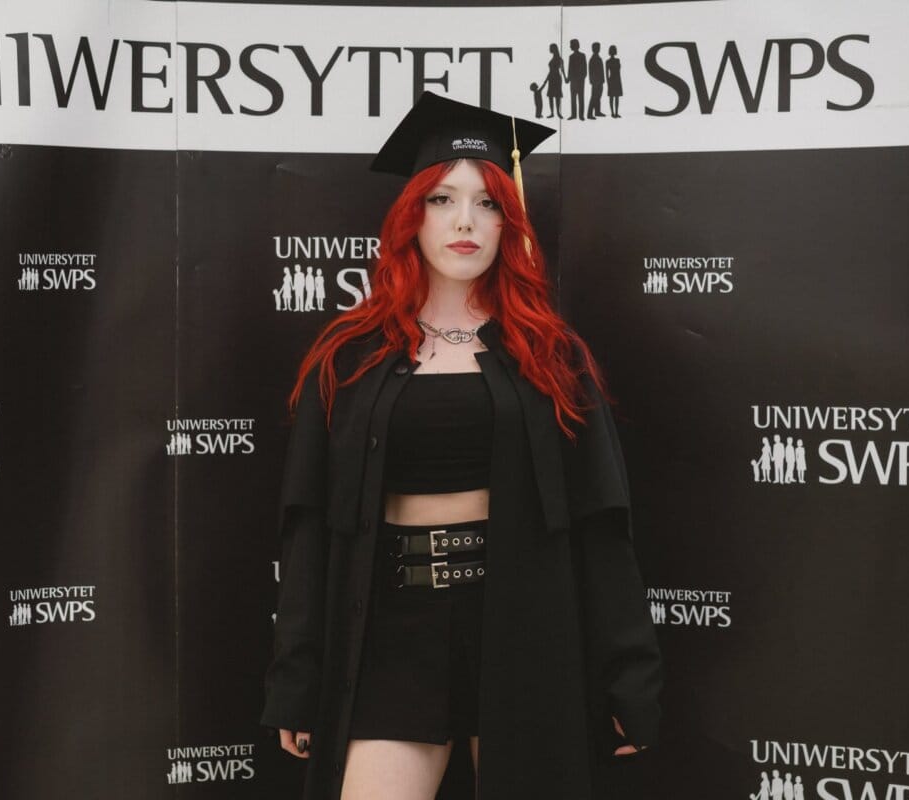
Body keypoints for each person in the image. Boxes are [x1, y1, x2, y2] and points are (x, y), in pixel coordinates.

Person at [260, 91, 662, 800]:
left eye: (488, 204)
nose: (466, 222)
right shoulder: (350, 358)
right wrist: (297, 677)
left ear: (510, 222)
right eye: (443, 200)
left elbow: (603, 524)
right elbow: (309, 526)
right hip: (391, 628)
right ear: (411, 217)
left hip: (522, 620)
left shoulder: (549, 355)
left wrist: (630, 679)